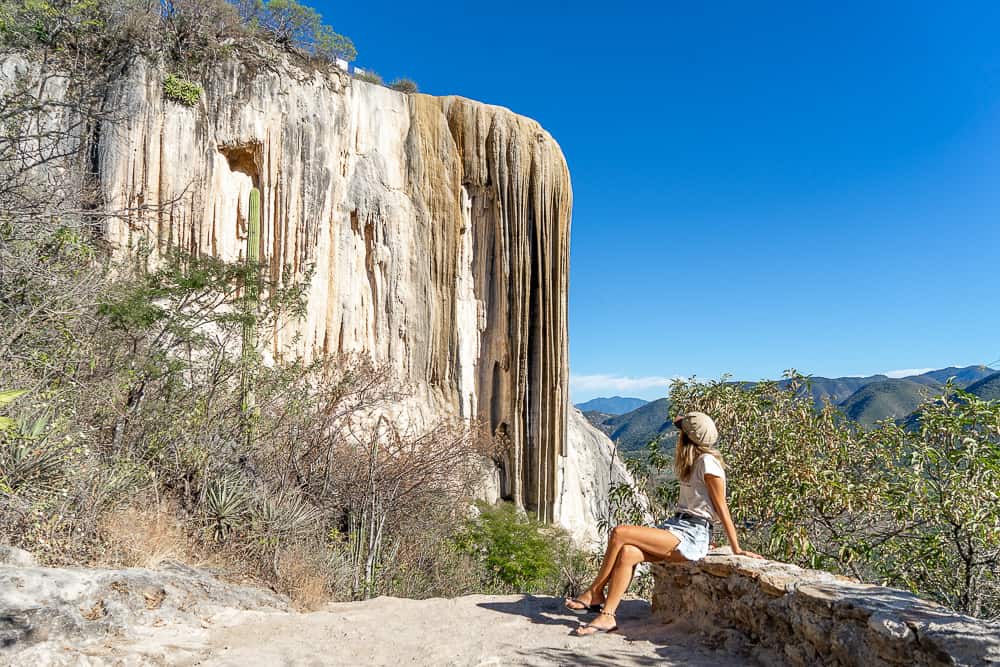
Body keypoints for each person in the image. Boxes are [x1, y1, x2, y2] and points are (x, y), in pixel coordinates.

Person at [566, 411, 764, 636]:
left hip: (692, 533)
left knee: (620, 532)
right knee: (629, 552)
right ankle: (607, 616)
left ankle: (595, 591)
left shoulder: (709, 464)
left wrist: (736, 548)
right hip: (679, 527)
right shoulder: (696, 461)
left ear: (686, 437)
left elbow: (721, 508)